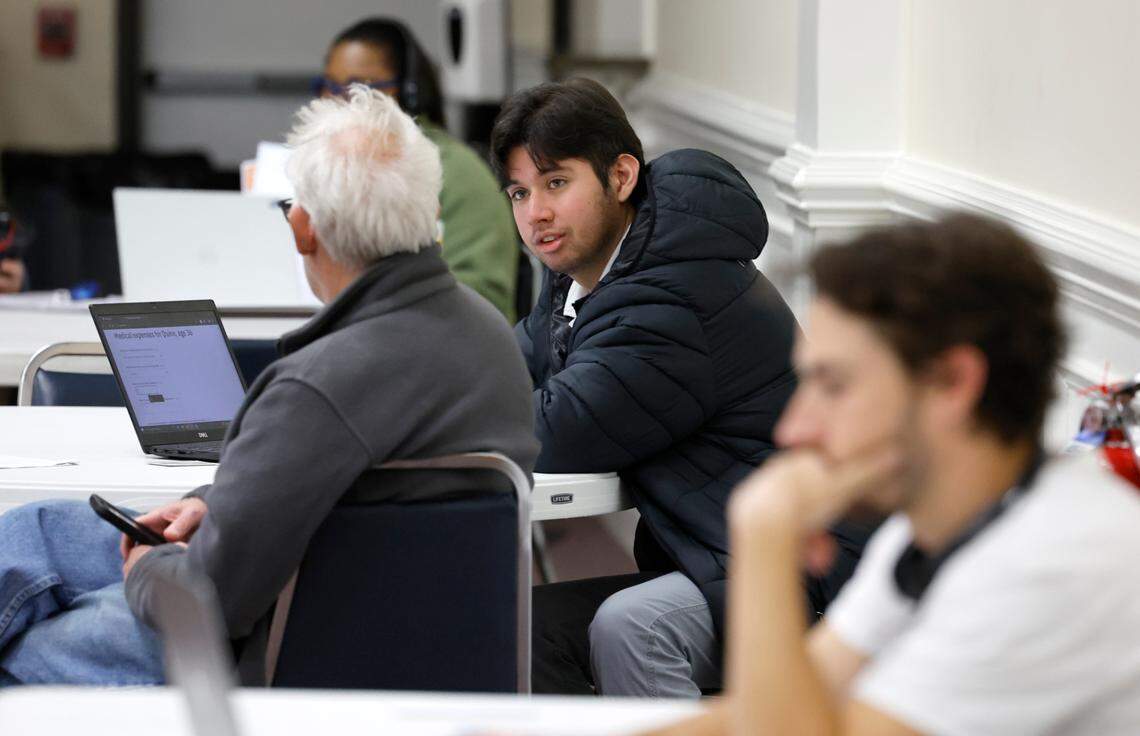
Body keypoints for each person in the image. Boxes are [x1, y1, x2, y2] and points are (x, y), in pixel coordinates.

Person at [0, 87, 539, 686]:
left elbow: (210, 603)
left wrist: (150, 571)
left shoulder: (321, 386)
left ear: (301, 226)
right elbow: (344, 482)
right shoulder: (490, 339)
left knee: (22, 649)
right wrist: (212, 503)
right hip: (400, 630)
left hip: (272, 650)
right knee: (40, 528)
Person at [655, 214, 1140, 735]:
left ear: (952, 383)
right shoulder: (934, 524)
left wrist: (763, 536)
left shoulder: (1053, 564)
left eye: (834, 386)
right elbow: (785, 700)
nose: (795, 428)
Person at [489, 78, 872, 698]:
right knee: (522, 631)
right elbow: (507, 367)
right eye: (519, 192)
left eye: (556, 183)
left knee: (631, 628)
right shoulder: (587, 272)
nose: (536, 213)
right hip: (709, 548)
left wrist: (438, 414)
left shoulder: (673, 295)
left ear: (620, 176)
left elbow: (554, 429)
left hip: (802, 570)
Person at [316, 17, 520, 321]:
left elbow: (483, 296)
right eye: (328, 87)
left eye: (355, 88)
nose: (336, 102)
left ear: (408, 92)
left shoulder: (457, 173)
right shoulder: (328, 165)